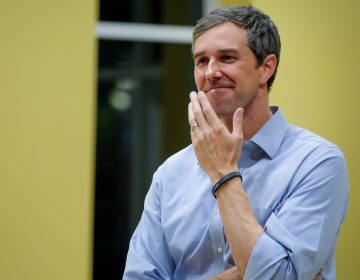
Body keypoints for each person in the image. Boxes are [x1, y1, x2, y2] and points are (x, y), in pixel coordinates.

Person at [123, 6, 349, 280]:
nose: (211, 73)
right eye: (202, 61)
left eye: (227, 58)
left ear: (266, 67)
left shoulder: (317, 162)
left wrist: (223, 172)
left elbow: (278, 276)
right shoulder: (170, 173)